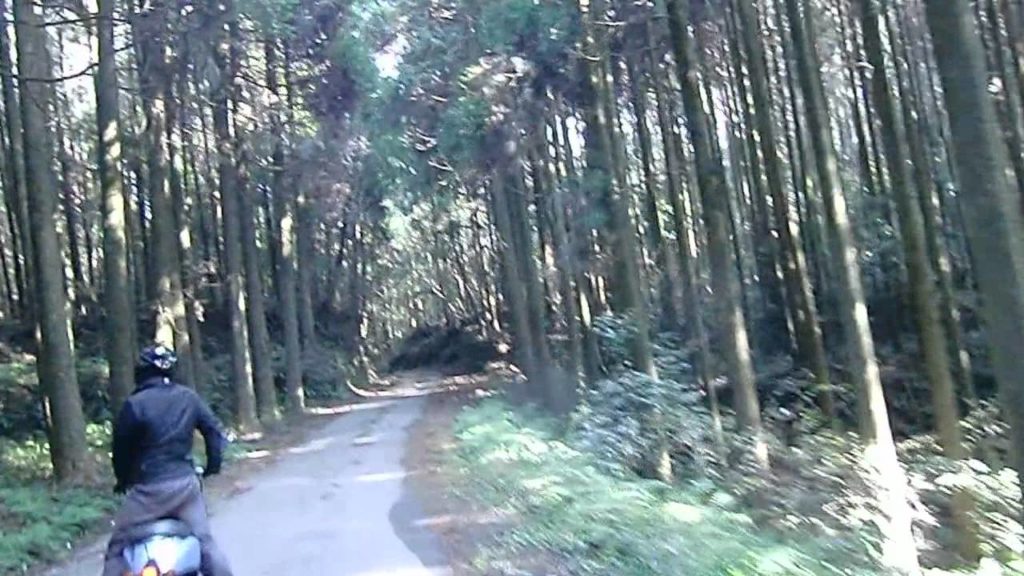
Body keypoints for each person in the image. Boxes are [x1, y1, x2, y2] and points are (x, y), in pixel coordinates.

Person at [102, 345, 235, 576]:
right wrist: (213, 466)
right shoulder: (189, 397)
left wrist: (123, 480)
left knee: (117, 548)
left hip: (147, 492)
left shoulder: (134, 404)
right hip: (185, 488)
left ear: (141, 372)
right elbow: (214, 433)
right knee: (205, 544)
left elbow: (121, 450)